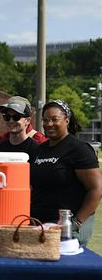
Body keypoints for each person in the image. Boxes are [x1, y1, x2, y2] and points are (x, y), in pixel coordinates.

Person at [31, 100, 101, 245]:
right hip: (40, 226)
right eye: (45, 120)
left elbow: (96, 189)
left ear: (66, 120)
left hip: (67, 229)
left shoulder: (79, 149)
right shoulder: (39, 150)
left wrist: (76, 223)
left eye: (54, 119)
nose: (49, 124)